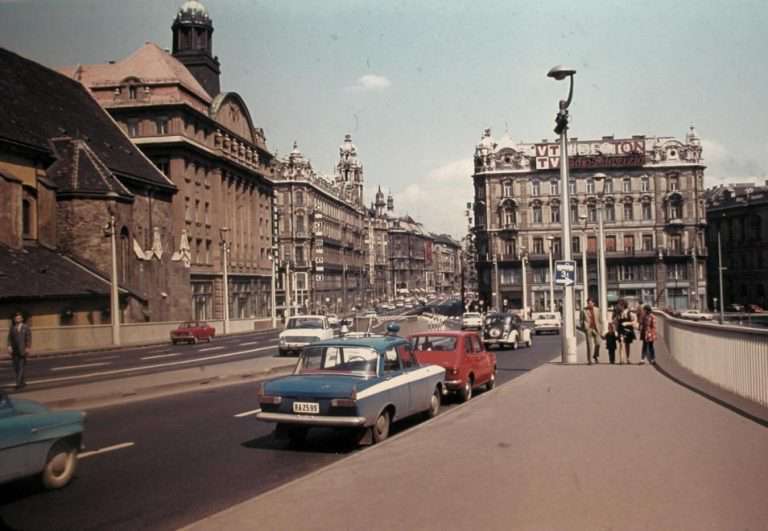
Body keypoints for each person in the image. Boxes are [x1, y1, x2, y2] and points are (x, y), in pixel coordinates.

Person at [7, 312, 31, 390]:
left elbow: (28, 338)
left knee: (20, 367)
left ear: (22, 319)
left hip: (22, 350)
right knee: (16, 367)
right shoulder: (12, 327)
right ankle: (22, 382)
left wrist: (28, 347)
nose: (17, 319)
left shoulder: (26, 327)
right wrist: (9, 346)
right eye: (16, 318)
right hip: (14, 351)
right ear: (14, 319)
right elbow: (9, 338)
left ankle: (18, 384)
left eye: (19, 318)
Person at [582, 298, 603, 364]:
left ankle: (595, 355)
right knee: (589, 345)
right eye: (588, 303)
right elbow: (581, 320)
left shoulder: (597, 310)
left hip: (596, 329)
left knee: (598, 343)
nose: (589, 304)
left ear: (593, 303)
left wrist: (601, 330)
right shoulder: (583, 310)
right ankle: (589, 360)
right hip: (588, 329)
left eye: (590, 303)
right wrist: (584, 327)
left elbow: (600, 320)